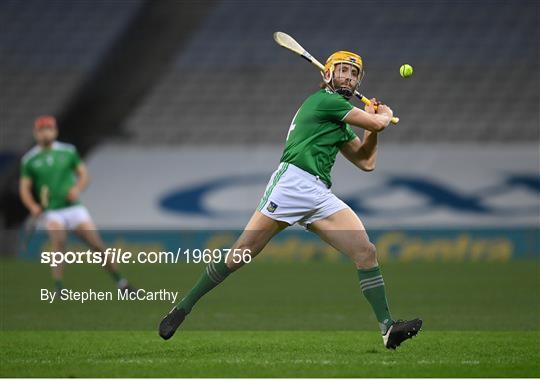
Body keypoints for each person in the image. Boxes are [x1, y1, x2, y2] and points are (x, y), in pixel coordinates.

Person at [159, 51, 422, 349]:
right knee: (241, 253)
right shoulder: (325, 101)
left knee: (366, 252)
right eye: (343, 71)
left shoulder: (339, 117)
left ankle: (388, 329)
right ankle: (182, 308)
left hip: (319, 194)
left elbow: (366, 161)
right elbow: (376, 124)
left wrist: (374, 126)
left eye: (353, 73)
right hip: (292, 183)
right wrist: (382, 117)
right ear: (328, 75)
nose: (348, 77)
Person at [19, 115, 135, 294]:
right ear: (36, 133)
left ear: (55, 130)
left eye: (49, 128)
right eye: (42, 130)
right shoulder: (30, 160)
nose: (45, 132)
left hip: (74, 208)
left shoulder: (68, 151)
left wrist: (77, 189)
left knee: (96, 245)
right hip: (52, 211)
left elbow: (84, 175)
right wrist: (33, 206)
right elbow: (24, 189)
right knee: (59, 242)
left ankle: (121, 282)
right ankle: (58, 287)